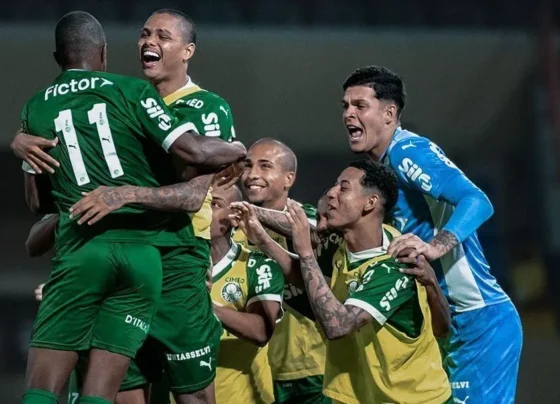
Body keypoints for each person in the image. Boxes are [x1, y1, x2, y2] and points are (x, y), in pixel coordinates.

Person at [15, 11, 245, 404]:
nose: (149, 42)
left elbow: (192, 196)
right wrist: (21, 141)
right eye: (144, 34)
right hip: (128, 257)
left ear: (188, 50)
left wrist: (124, 194)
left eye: (163, 36)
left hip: (177, 263)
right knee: (121, 394)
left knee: (194, 396)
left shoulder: (206, 108)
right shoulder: (122, 96)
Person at [341, 65, 522, 402]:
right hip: (445, 324)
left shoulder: (407, 151)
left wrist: (436, 246)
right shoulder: (382, 170)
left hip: (478, 321)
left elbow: (477, 201)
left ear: (389, 113)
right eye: (346, 106)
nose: (348, 114)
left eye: (360, 105)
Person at [287, 160, 451, 404]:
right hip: (357, 395)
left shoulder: (396, 263)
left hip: (411, 399)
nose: (331, 192)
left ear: (370, 203)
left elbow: (338, 327)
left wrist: (306, 255)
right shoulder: (360, 240)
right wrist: (258, 229)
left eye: (343, 187)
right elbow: (300, 230)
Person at [233, 138, 329, 404]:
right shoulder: (232, 230)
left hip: (313, 369)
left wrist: (248, 213)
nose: (252, 174)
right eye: (248, 165)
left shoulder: (308, 219)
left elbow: (313, 233)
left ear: (289, 178)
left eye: (265, 166)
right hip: (257, 371)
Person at [209, 184, 285, 403]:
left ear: (235, 217)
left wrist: (204, 303)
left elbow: (261, 331)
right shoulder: (172, 266)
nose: (201, 210)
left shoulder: (258, 265)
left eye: (214, 204)